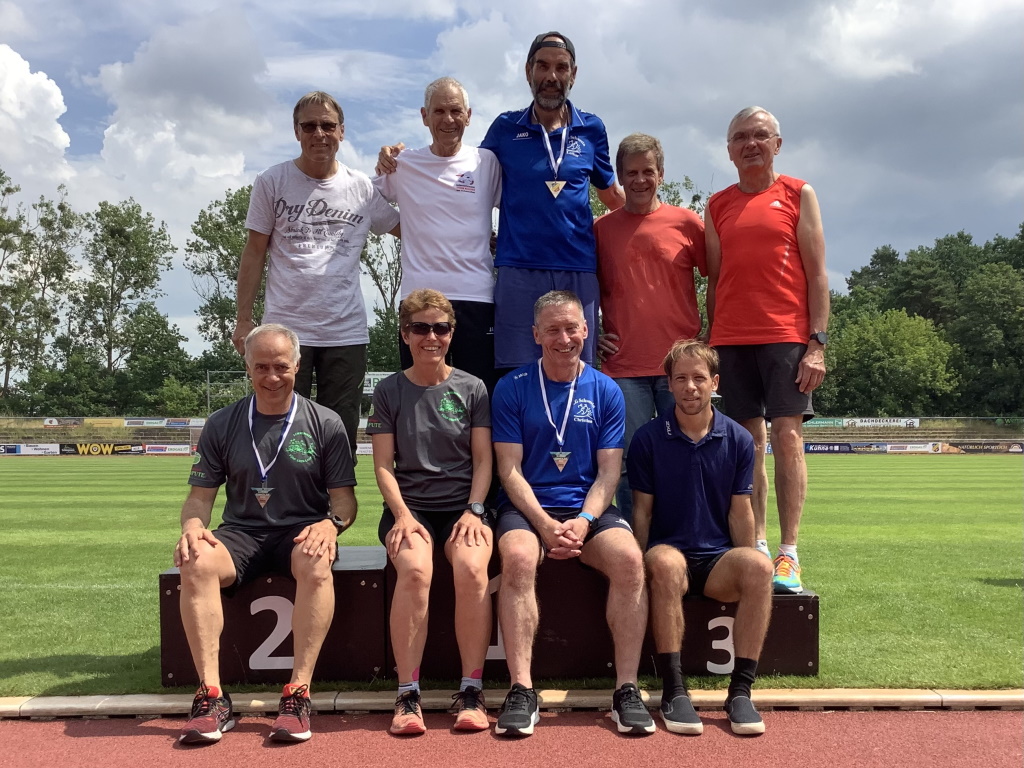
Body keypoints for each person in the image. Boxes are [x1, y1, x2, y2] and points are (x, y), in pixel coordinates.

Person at [378, 32, 624, 371]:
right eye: (542, 66)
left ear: (573, 74)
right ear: (528, 71)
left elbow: (614, 198)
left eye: (561, 67)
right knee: (514, 374)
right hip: (517, 269)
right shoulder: (505, 128)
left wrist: (654, 214)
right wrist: (395, 160)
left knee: (578, 372)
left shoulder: (592, 128)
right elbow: (459, 174)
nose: (551, 76)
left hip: (577, 267)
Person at [174, 324, 357, 745]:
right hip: (240, 533)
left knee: (316, 561)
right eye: (261, 367)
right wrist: (191, 528)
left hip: (300, 531)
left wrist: (331, 524)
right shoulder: (222, 423)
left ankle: (297, 693)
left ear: (297, 365)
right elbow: (200, 498)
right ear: (247, 368)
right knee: (196, 560)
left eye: (280, 366)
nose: (271, 376)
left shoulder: (326, 422)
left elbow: (345, 502)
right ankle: (211, 696)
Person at [490, 290, 652, 737]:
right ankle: (522, 689)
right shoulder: (512, 387)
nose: (564, 338)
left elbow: (608, 473)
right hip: (528, 508)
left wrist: (582, 521)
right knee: (520, 558)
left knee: (630, 560)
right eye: (554, 329)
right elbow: (509, 469)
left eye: (572, 328)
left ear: (586, 330)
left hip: (589, 508)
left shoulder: (606, 389)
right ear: (536, 334)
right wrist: (544, 524)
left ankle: (626, 689)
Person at [232, 91, 401, 457]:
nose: (319, 134)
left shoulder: (361, 187)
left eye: (328, 125)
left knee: (338, 439)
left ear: (342, 132)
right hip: (284, 332)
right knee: (275, 432)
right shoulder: (271, 181)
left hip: (345, 332)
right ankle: (275, 510)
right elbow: (254, 252)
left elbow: (412, 229)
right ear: (296, 131)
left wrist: (412, 170)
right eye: (309, 126)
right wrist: (243, 320)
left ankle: (335, 513)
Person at [705, 106, 829, 594]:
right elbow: (715, 280)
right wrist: (709, 337)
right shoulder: (717, 205)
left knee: (788, 436)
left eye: (760, 136)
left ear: (777, 144)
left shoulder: (799, 193)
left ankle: (789, 554)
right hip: (731, 339)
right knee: (746, 444)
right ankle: (755, 544)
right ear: (729, 149)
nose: (750, 144)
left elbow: (818, 274)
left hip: (786, 335)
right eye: (740, 137)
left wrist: (816, 343)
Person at [628, 339, 773, 736]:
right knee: (664, 562)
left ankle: (740, 692)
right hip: (668, 552)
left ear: (715, 382)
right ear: (669, 385)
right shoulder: (647, 438)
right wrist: (639, 565)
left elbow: (740, 509)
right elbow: (642, 510)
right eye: (681, 379)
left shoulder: (740, 439)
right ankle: (674, 690)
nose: (690, 387)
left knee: (760, 566)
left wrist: (745, 562)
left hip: (716, 560)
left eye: (698, 378)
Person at [366, 289, 493, 734]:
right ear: (405, 334)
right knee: (417, 571)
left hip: (464, 507)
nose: (431, 337)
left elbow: (483, 460)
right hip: (410, 507)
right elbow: (382, 465)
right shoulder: (389, 390)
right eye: (420, 328)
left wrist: (475, 510)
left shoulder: (472, 387)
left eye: (441, 328)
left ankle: (472, 690)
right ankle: (407, 694)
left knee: (472, 570)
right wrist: (401, 514)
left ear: (452, 333)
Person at [594, 133, 706, 523]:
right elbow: (582, 288)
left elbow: (723, 279)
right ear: (620, 178)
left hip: (680, 366)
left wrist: (710, 340)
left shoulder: (687, 223)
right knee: (629, 463)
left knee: (687, 454)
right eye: (631, 173)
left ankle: (686, 540)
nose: (640, 180)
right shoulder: (601, 230)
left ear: (661, 174)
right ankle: (632, 542)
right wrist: (592, 335)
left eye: (648, 171)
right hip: (625, 368)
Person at [372, 79, 502, 394]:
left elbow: (516, 209)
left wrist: (498, 239)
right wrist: (408, 229)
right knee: (419, 397)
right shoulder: (403, 164)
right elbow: (368, 207)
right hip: (419, 299)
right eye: (439, 111)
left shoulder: (486, 162)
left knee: (479, 398)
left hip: (477, 299)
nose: (448, 119)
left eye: (455, 110)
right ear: (424, 116)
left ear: (468, 115)